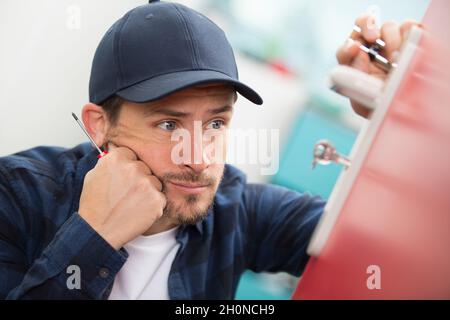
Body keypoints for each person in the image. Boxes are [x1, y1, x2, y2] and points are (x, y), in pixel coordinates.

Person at [0, 0, 419, 299]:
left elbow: (398, 256)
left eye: (216, 123)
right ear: (99, 125)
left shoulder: (236, 209)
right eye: (169, 124)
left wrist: (398, 116)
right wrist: (96, 236)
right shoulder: (15, 196)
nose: (198, 158)